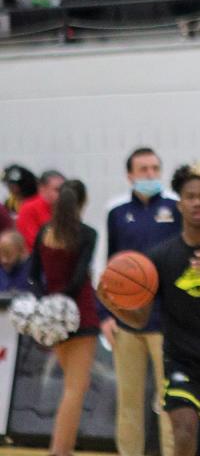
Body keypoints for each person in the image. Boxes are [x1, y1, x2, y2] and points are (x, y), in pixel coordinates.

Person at [97, 162, 200, 456]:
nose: (197, 202)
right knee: (184, 432)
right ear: (180, 203)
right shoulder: (161, 257)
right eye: (190, 196)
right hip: (181, 362)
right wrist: (112, 303)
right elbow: (140, 318)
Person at [102, 148, 180, 456]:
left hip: (167, 321)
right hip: (125, 321)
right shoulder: (117, 212)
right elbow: (106, 264)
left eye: (155, 168)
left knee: (169, 401)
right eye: (143, 169)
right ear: (130, 175)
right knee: (129, 400)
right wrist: (105, 314)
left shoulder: (177, 207)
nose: (150, 174)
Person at [31, 179, 99, 456]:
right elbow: (79, 277)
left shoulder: (44, 232)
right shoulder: (87, 234)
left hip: (52, 318)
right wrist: (65, 303)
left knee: (72, 387)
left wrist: (48, 304)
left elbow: (33, 276)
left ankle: (63, 449)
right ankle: (59, 451)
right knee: (75, 388)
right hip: (80, 314)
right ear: (82, 203)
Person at [17, 168, 65, 251]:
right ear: (42, 188)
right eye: (57, 190)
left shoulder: (63, 208)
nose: (62, 194)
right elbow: (33, 242)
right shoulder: (29, 208)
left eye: (64, 190)